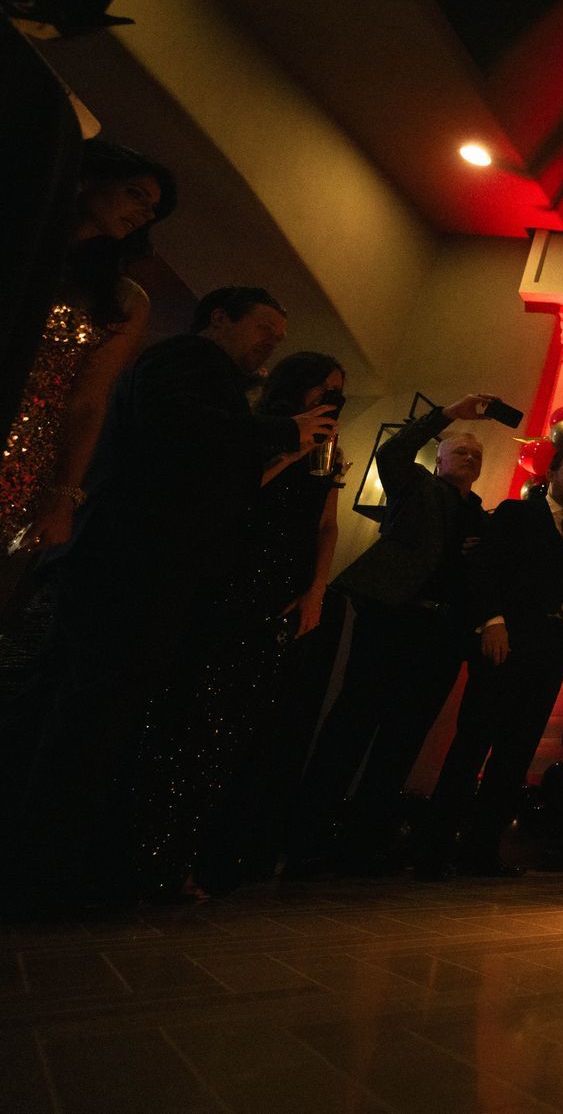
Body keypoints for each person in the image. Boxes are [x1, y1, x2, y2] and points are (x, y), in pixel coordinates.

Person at [11, 287, 328, 910]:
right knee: (88, 715)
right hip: (127, 565)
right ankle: (43, 874)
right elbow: (185, 440)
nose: (271, 342)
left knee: (92, 713)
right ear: (219, 319)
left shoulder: (212, 382)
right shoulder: (184, 361)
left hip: (141, 567)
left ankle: (51, 865)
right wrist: (283, 431)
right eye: (264, 327)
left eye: (280, 337)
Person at [134, 351, 350, 899]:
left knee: (235, 732)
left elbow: (326, 527)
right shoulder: (257, 431)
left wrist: (315, 591)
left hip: (283, 594)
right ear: (296, 387)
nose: (331, 400)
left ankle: (199, 859)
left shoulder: (329, 451)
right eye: (323, 389)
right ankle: (153, 861)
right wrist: (289, 448)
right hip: (229, 583)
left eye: (338, 393)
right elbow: (223, 499)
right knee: (191, 721)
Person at [289, 394, 500, 875]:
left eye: (476, 455)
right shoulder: (417, 488)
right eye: (460, 452)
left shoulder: (482, 520)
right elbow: (393, 453)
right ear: (441, 459)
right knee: (353, 723)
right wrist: (449, 413)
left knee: (404, 739)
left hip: (442, 637)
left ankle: (361, 847)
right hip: (393, 621)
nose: (469, 458)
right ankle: (305, 840)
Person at [1, 141, 175, 604]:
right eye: (136, 194)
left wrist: (62, 495)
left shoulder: (122, 299)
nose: (145, 213)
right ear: (87, 181)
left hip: (20, 458)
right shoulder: (19, 245)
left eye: (153, 209)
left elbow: (89, 400)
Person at [418, 451, 563, 879]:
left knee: (515, 754)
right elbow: (485, 568)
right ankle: (434, 850)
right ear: (552, 474)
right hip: (508, 645)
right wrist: (492, 622)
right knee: (473, 744)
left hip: (550, 656)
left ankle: (480, 850)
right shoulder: (518, 512)